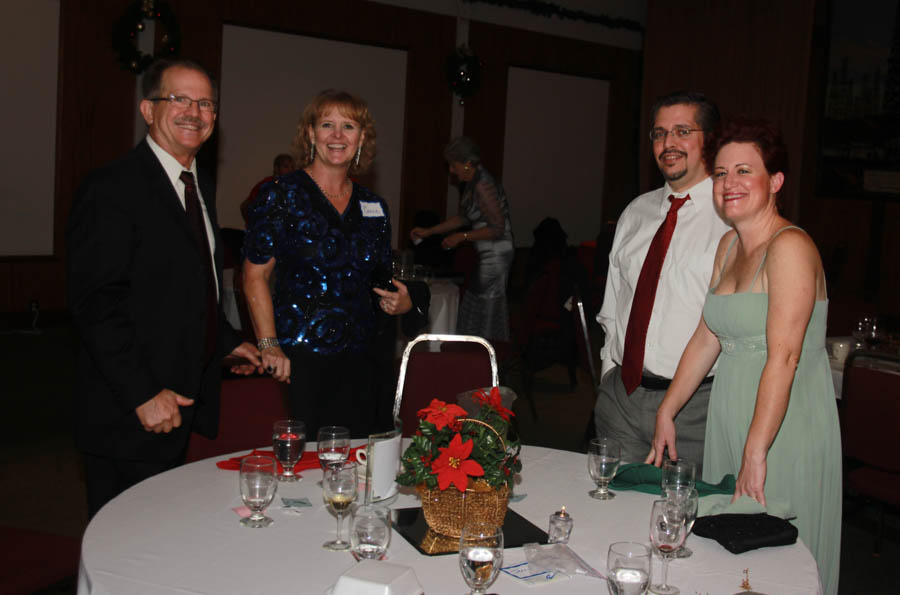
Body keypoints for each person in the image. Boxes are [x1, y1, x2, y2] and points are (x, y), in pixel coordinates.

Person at [646, 117, 841, 595]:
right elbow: (706, 336)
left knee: (777, 561)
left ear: (775, 182)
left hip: (783, 424)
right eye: (720, 173)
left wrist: (758, 448)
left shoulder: (790, 246)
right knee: (731, 558)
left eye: (744, 171)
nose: (729, 184)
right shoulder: (729, 244)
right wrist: (668, 409)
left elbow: (785, 357)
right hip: (733, 413)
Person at [67, 58, 262, 518]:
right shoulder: (113, 187)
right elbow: (96, 302)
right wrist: (141, 393)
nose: (194, 111)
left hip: (177, 405)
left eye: (205, 102)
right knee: (126, 548)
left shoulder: (196, 184)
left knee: (162, 539)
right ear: (148, 110)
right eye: (179, 99)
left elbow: (189, 284)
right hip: (130, 411)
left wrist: (227, 342)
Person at [243, 89, 413, 438]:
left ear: (362, 137)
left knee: (359, 464)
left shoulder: (374, 206)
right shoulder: (281, 194)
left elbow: (381, 280)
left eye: (348, 126)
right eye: (327, 125)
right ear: (310, 133)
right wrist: (269, 344)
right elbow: (254, 275)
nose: (337, 136)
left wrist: (404, 302)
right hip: (302, 360)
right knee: (306, 467)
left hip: (365, 362)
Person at [594, 91, 731, 468]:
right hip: (621, 399)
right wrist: (610, 377)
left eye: (682, 131)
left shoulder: (730, 222)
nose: (668, 143)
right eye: (658, 133)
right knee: (610, 513)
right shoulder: (635, 212)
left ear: (710, 139)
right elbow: (613, 306)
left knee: (681, 519)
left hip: (695, 409)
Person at [410, 137, 514, 341]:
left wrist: (462, 237)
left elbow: (498, 228)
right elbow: (463, 218)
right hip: (486, 254)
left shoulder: (483, 185)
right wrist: (429, 232)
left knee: (485, 312)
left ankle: (486, 359)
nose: (451, 170)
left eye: (453, 164)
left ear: (467, 163)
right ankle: (477, 358)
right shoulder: (473, 183)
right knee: (476, 308)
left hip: (495, 256)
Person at [239, 153, 296, 225]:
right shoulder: (266, 184)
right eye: (286, 166)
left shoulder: (293, 187)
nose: (290, 170)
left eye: (292, 167)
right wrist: (251, 225)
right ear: (276, 168)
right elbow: (244, 206)